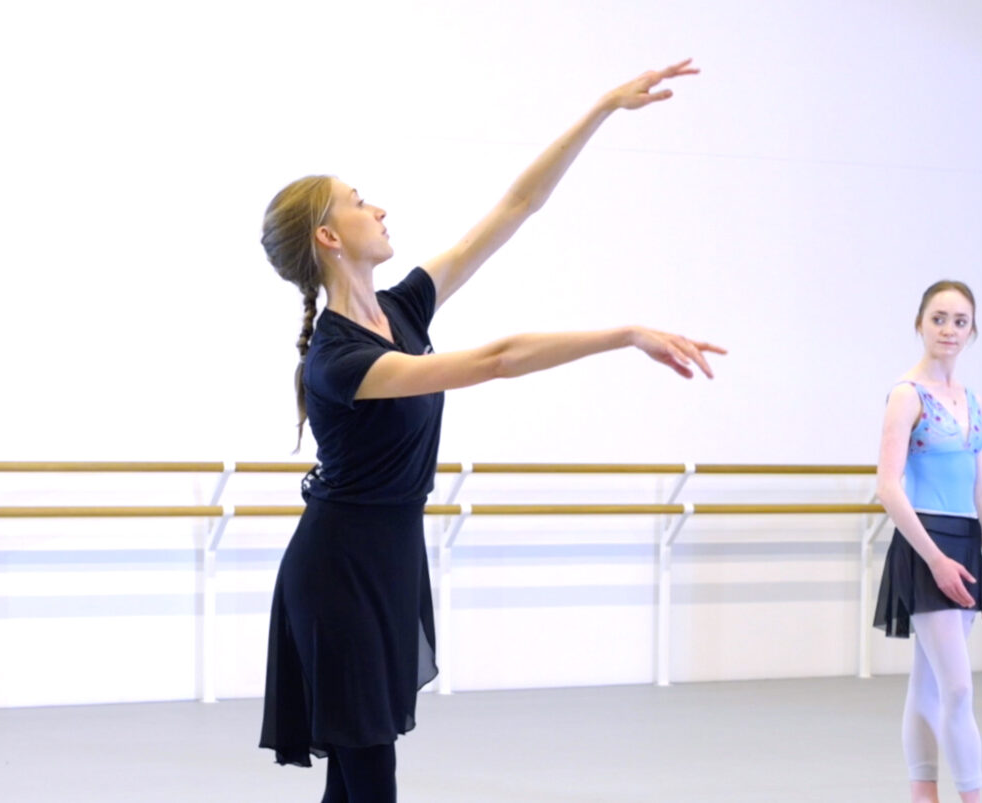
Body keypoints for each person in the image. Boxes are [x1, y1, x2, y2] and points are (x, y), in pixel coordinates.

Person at [256, 59, 723, 802]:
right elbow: (497, 361)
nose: (379, 208)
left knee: (355, 777)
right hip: (340, 572)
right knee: (370, 775)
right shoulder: (338, 360)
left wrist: (603, 106)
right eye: (360, 201)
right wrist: (625, 334)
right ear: (328, 235)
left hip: (388, 559)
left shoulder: (401, 311)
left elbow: (517, 204)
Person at [872, 280, 982, 803]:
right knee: (958, 686)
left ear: (972, 330)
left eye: (960, 321)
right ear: (920, 323)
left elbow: (981, 490)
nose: (949, 329)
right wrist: (936, 559)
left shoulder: (972, 401)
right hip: (927, 545)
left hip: (966, 542)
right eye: (939, 318)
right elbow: (887, 487)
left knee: (928, 681)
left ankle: (923, 794)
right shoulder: (907, 395)